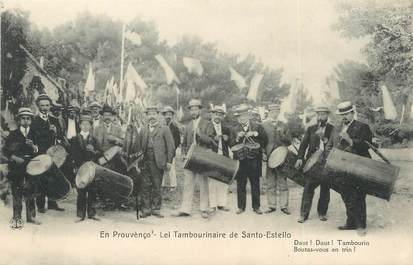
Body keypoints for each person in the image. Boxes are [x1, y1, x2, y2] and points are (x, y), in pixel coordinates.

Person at [333, 101, 373, 234]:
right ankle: (351, 223)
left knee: (359, 195)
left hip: (360, 165)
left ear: (352, 113)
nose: (344, 117)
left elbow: (367, 144)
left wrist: (350, 140)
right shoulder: (339, 127)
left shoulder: (362, 126)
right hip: (344, 165)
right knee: (346, 194)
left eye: (346, 114)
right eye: (341, 114)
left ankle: (361, 225)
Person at [295, 106, 335, 223]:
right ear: (316, 116)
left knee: (325, 188)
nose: (321, 116)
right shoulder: (310, 129)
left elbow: (336, 145)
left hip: (327, 162)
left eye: (323, 114)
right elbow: (303, 145)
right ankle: (303, 214)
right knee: (308, 187)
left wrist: (326, 141)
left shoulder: (333, 129)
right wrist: (300, 158)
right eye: (319, 114)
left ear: (327, 115)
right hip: (312, 162)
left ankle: (322, 213)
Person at [3, 108, 41, 228]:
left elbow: (40, 150)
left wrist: (34, 147)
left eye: (28, 118)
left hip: (31, 166)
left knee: (31, 191)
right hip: (17, 166)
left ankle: (31, 216)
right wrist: (14, 157)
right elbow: (5, 150)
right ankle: (17, 217)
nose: (25, 121)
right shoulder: (13, 134)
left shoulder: (35, 133)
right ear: (19, 120)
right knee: (17, 191)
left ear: (31, 120)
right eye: (23, 118)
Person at [173, 99, 210, 218]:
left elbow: (210, 141)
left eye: (196, 109)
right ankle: (185, 209)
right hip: (189, 156)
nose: (194, 112)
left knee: (203, 183)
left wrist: (200, 135)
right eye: (192, 109)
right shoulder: (188, 125)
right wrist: (183, 154)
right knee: (188, 183)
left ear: (200, 110)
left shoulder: (206, 123)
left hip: (202, 156)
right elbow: (183, 143)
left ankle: (204, 208)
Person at [137, 106, 175, 218]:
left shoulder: (164, 129)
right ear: (146, 116)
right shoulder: (143, 129)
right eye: (149, 114)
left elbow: (171, 147)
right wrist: (137, 161)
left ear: (158, 115)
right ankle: (146, 209)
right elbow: (138, 146)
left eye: (153, 114)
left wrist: (169, 162)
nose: (151, 116)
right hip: (145, 161)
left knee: (157, 185)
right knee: (144, 185)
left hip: (158, 162)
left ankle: (156, 209)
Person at [230, 103, 268, 215]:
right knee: (240, 184)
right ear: (238, 117)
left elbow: (265, 141)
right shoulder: (234, 129)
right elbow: (231, 144)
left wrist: (255, 135)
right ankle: (241, 207)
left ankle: (256, 207)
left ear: (248, 116)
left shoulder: (257, 126)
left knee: (255, 183)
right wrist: (237, 137)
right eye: (240, 116)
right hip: (240, 160)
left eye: (244, 115)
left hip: (254, 160)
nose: (242, 118)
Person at [31, 94, 65, 212]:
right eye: (42, 105)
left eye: (47, 105)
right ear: (38, 106)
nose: (45, 108)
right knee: (40, 179)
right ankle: (40, 205)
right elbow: (32, 137)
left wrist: (56, 132)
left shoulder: (54, 120)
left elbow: (61, 137)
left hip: (52, 154)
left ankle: (52, 203)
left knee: (52, 178)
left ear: (50, 106)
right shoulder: (34, 120)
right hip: (39, 154)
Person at [70, 115, 102, 222]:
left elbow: (100, 153)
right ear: (79, 125)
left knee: (92, 191)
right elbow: (72, 154)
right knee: (81, 192)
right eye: (83, 124)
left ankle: (92, 213)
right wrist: (75, 167)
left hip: (91, 169)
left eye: (88, 124)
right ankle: (80, 215)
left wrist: (94, 151)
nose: (85, 126)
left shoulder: (94, 139)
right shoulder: (75, 139)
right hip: (80, 168)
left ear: (91, 126)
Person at [262, 103, 292, 215]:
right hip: (269, 156)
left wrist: (282, 135)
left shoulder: (284, 125)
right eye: (272, 111)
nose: (275, 114)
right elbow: (261, 142)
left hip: (282, 157)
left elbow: (289, 141)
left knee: (283, 182)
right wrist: (263, 153)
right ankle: (271, 205)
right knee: (270, 182)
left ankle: (284, 206)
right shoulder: (263, 125)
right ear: (269, 112)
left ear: (279, 112)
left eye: (277, 111)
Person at [203, 105, 232, 212]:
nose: (217, 116)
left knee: (223, 180)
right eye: (215, 114)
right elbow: (203, 139)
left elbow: (231, 142)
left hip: (223, 156)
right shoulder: (207, 126)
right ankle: (212, 204)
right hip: (212, 155)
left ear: (222, 116)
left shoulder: (226, 127)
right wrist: (212, 139)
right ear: (212, 114)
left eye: (220, 115)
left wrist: (227, 138)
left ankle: (222, 204)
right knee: (212, 180)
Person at [161, 106, 181, 189]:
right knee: (162, 168)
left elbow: (177, 141)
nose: (168, 116)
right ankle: (162, 184)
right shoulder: (162, 126)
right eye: (166, 114)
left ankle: (173, 185)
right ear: (164, 116)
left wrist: (172, 150)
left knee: (171, 169)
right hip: (162, 151)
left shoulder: (175, 127)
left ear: (172, 116)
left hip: (171, 151)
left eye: (169, 114)